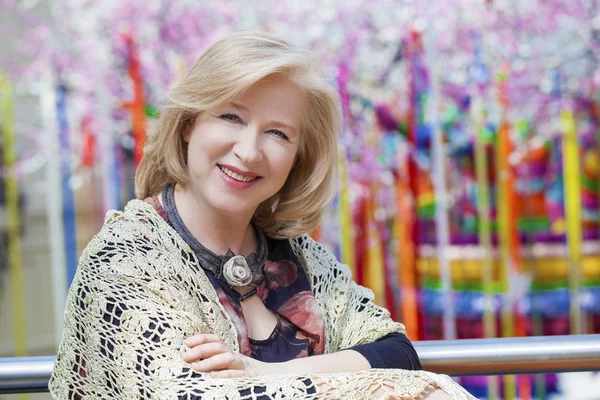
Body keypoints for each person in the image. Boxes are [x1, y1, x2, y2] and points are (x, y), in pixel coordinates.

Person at [50, 31, 474, 399]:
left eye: (277, 133)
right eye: (231, 117)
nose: (249, 152)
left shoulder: (298, 257)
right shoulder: (127, 257)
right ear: (187, 125)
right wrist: (369, 385)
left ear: (297, 157)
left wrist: (267, 373)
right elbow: (184, 394)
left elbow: (395, 352)